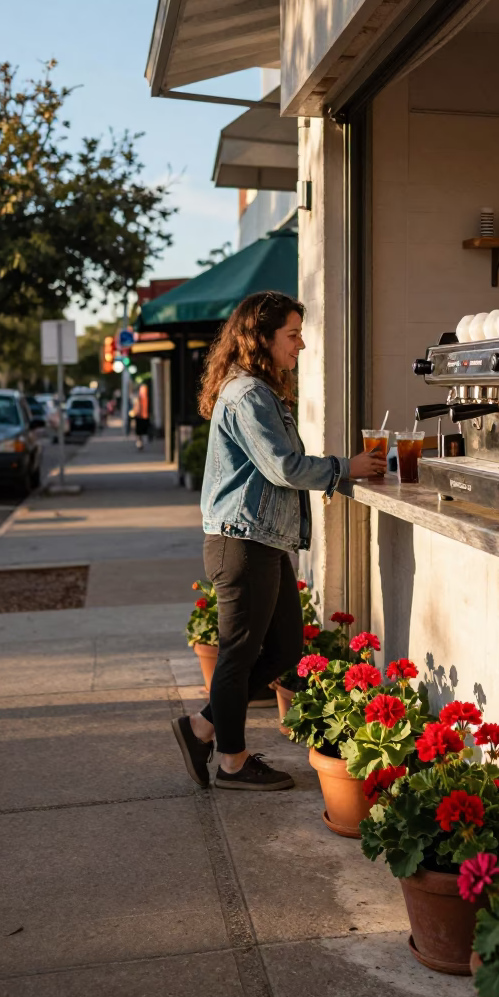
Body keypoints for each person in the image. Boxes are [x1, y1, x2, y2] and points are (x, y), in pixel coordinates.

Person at [171, 291, 386, 792]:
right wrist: (343, 468)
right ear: (261, 338)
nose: (302, 344)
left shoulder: (261, 392)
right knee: (239, 653)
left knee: (284, 648)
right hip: (240, 542)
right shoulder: (247, 394)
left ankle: (202, 726)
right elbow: (283, 467)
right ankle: (232, 761)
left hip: (261, 540)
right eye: (292, 334)